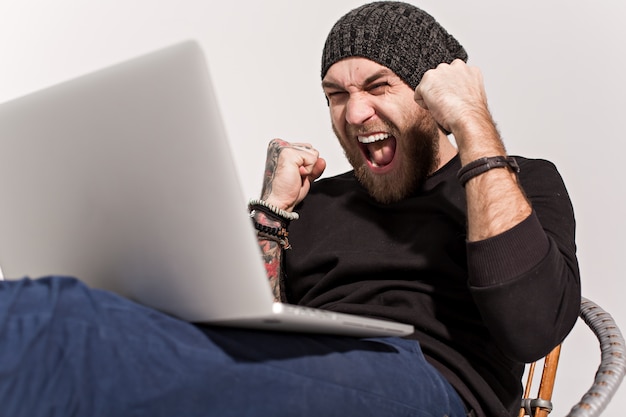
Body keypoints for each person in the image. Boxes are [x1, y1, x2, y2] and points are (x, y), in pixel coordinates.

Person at [0, 2, 580, 417]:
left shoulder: (515, 182)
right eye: (336, 94)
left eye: (379, 86)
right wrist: (272, 213)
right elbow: (244, 318)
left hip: (426, 382)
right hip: (305, 366)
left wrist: (473, 123)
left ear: (433, 94)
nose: (354, 114)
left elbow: (530, 327)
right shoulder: (317, 201)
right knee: (84, 319)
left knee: (55, 321)